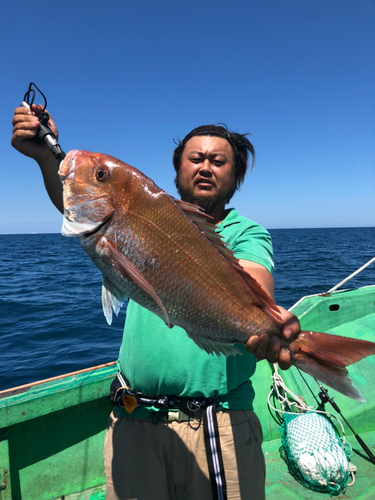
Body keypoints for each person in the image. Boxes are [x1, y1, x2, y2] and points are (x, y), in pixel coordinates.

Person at [12, 106, 301, 500]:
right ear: (177, 168)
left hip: (219, 426)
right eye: (194, 158)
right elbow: (80, 208)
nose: (205, 167)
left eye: (218, 161)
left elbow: (255, 280)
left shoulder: (245, 232)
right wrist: (48, 157)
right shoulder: (140, 211)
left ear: (236, 176)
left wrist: (268, 321)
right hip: (133, 419)